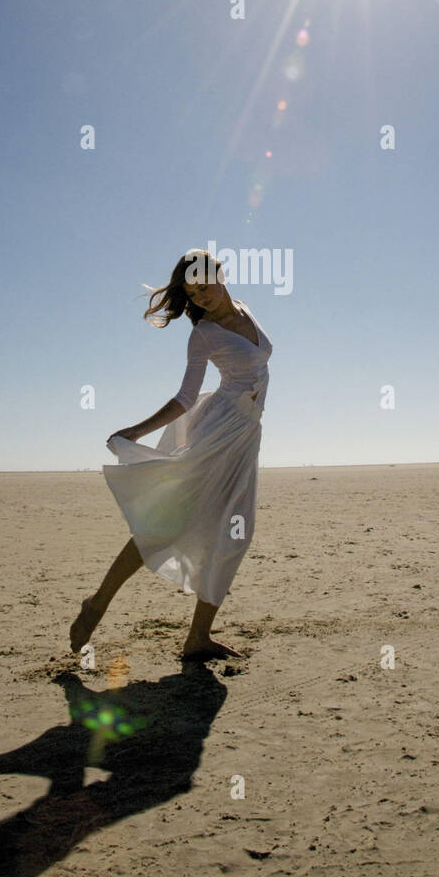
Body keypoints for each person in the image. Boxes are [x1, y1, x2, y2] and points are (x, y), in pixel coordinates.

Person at [70, 249, 272, 661]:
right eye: (193, 293)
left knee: (235, 533)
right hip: (219, 433)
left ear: (219, 272)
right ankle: (96, 604)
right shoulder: (203, 335)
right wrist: (135, 431)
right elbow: (183, 397)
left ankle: (198, 637)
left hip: (246, 436)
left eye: (204, 285)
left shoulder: (246, 310)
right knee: (167, 524)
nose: (202, 297)